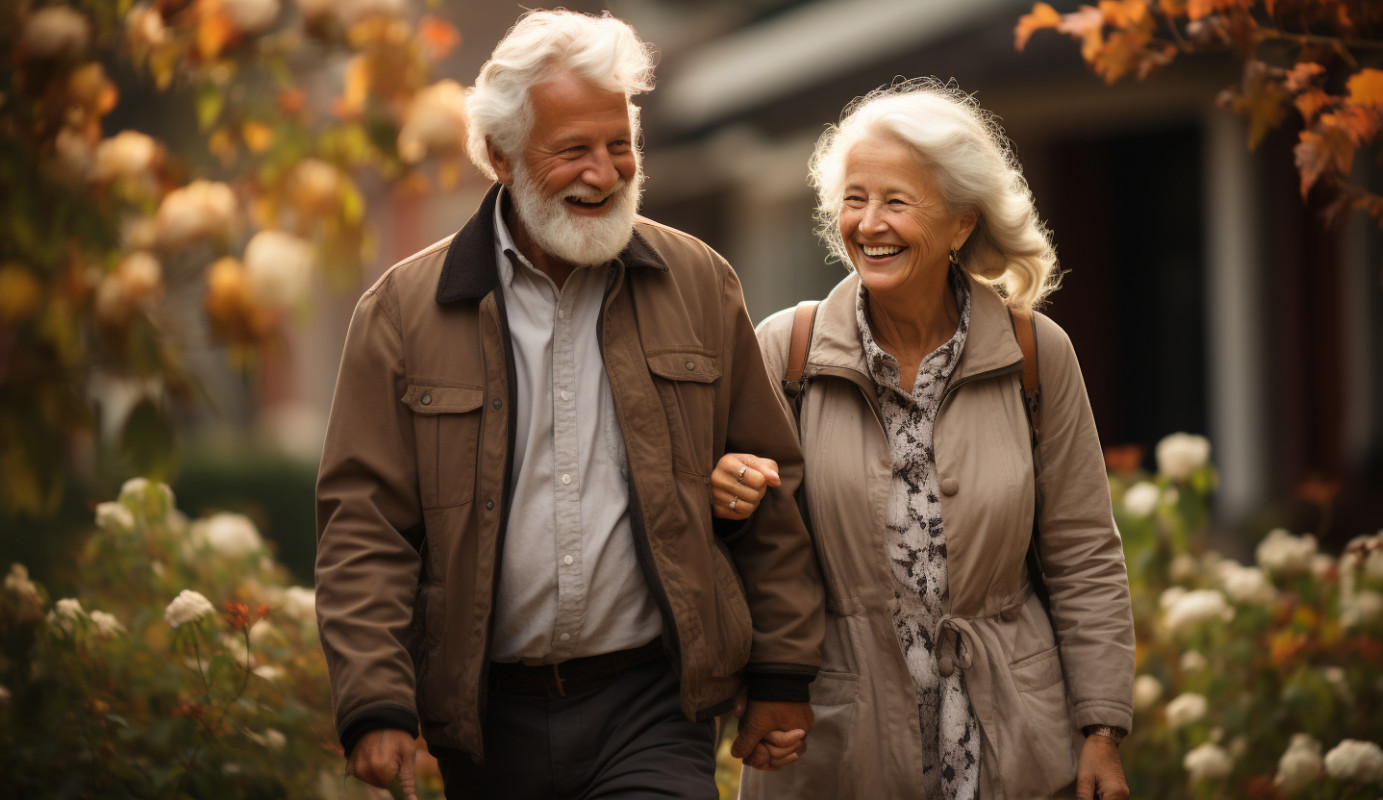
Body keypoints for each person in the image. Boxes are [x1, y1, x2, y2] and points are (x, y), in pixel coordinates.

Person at [314, 10, 824, 799]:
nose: (605, 171)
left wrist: (782, 671)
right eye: (573, 151)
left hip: (651, 706)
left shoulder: (698, 281)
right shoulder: (401, 313)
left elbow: (771, 485)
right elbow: (365, 526)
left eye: (619, 146)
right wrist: (376, 702)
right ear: (499, 156)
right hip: (486, 721)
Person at [712, 79, 1135, 800]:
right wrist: (724, 496)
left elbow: (1083, 551)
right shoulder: (788, 350)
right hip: (839, 745)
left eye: (896, 201)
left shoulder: (1034, 352)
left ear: (962, 223)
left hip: (1016, 741)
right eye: (854, 198)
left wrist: (1101, 728)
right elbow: (744, 548)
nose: (868, 223)